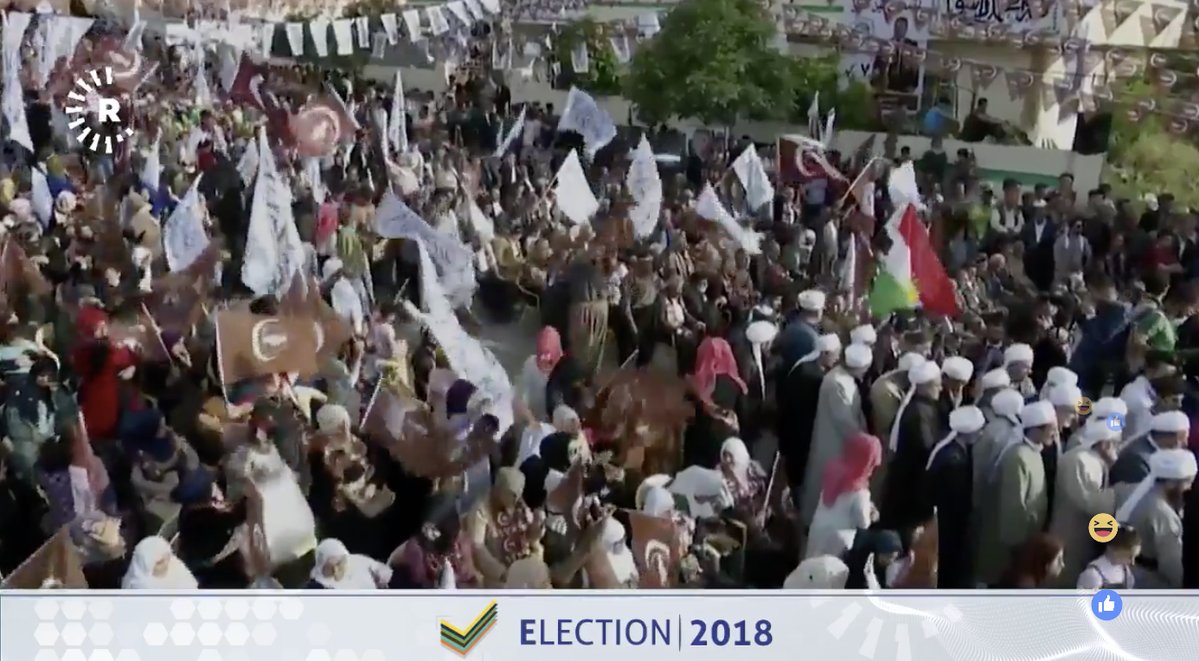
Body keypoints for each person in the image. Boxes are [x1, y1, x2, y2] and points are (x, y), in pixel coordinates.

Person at [799, 344, 873, 523]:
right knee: (824, 484)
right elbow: (845, 421)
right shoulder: (837, 383)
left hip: (838, 443)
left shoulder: (843, 377)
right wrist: (866, 442)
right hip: (833, 443)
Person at [1049, 420, 1120, 584]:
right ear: (1105, 444)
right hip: (1071, 533)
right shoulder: (1079, 461)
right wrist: (1119, 495)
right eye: (1114, 444)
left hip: (1083, 533)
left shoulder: (1093, 459)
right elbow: (1090, 502)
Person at [1114, 448, 1196, 587]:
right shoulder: (1163, 514)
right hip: (1147, 582)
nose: (1190, 489)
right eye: (1187, 483)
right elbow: (1173, 570)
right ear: (1171, 483)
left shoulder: (1141, 493)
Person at [925, 405, 985, 588]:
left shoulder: (949, 448)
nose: (981, 434)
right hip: (949, 525)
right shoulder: (954, 461)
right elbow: (956, 502)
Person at [880, 360, 944, 531]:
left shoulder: (917, 407)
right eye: (937, 385)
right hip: (910, 488)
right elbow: (925, 448)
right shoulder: (920, 413)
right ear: (927, 386)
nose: (941, 389)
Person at [805, 433, 882, 559]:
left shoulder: (833, 470)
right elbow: (863, 522)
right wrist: (871, 513)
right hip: (838, 541)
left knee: (808, 569)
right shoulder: (860, 491)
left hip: (818, 529)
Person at [306, 538, 392, 589]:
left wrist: (381, 576)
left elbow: (384, 572)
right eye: (330, 568)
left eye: (339, 564)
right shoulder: (318, 586)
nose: (336, 571)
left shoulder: (358, 561)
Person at [1076, 526, 1141, 590]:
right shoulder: (1093, 575)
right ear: (1113, 549)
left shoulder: (1125, 570)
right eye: (1128, 556)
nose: (1132, 562)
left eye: (1134, 557)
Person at [121, 536, 198, 590]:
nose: (166, 563)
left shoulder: (176, 566)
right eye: (160, 562)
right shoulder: (139, 586)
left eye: (168, 556)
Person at [996, 534, 1065, 588]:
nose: (1062, 565)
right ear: (1045, 561)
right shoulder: (1024, 588)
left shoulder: (1021, 580)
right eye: (1058, 559)